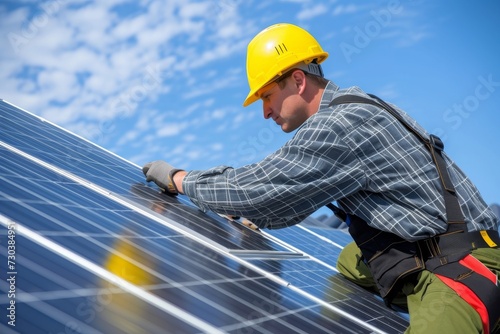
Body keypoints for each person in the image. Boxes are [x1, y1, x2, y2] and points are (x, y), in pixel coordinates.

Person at [142, 23, 500, 333]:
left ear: (297, 80)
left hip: (463, 268)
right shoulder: (357, 104)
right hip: (449, 241)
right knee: (349, 258)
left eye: (267, 96)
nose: (265, 112)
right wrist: (252, 210)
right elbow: (286, 197)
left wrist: (180, 179)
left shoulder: (339, 126)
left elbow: (260, 189)